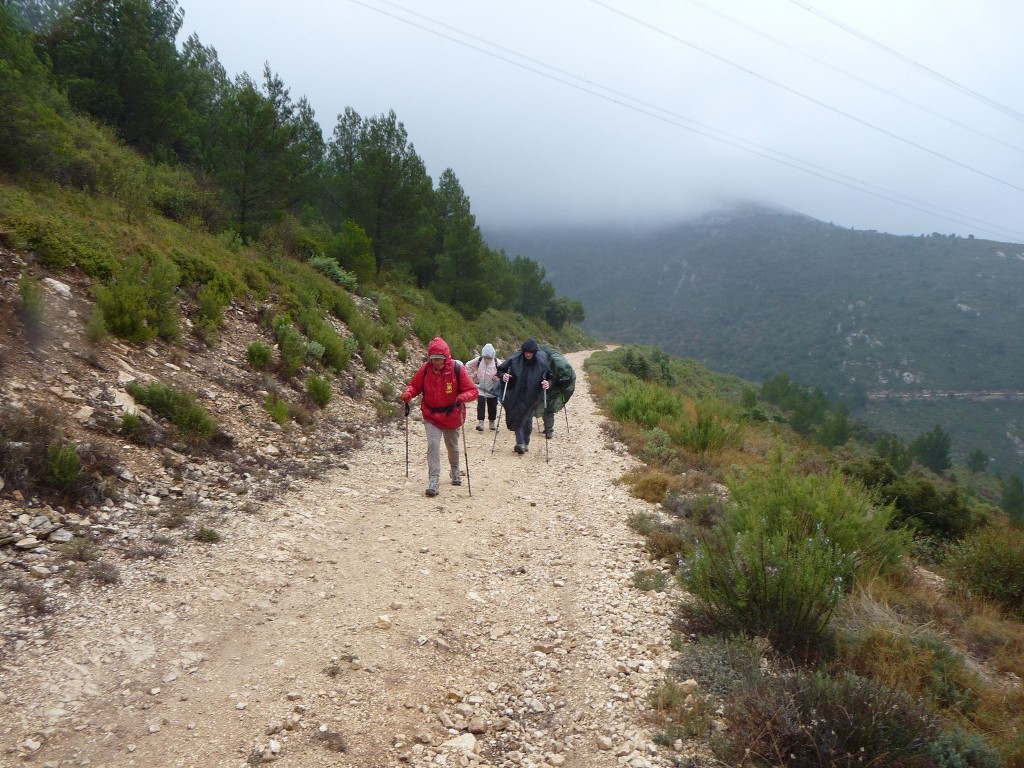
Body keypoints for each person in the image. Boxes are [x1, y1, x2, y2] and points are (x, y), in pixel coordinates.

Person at [401, 337, 478, 496]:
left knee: (453, 447)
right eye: (434, 359)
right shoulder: (425, 369)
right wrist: (409, 393)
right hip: (431, 415)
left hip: (452, 415)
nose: (436, 362)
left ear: (446, 357)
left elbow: (473, 391)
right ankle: (433, 479)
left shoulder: (457, 369)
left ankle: (455, 469)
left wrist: (464, 397)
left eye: (440, 359)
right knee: (433, 445)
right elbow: (415, 385)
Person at [496, 338, 551, 454]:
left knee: (528, 422)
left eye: (530, 352)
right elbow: (501, 370)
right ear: (523, 351)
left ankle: (525, 442)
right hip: (515, 393)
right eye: (526, 352)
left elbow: (550, 377)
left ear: (535, 352)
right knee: (517, 417)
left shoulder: (542, 363)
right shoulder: (514, 359)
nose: (528, 354)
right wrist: (503, 376)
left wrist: (548, 383)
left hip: (531, 396)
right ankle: (520, 443)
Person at [535, 342, 576, 438]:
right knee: (547, 405)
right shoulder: (552, 357)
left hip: (554, 384)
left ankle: (548, 429)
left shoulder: (553, 360)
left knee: (548, 406)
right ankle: (548, 429)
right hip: (554, 383)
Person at [465, 343, 501, 431]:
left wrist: (498, 377)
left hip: (492, 388)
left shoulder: (497, 362)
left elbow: (504, 371)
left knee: (492, 405)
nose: (487, 359)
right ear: (483, 355)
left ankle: (492, 422)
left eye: (489, 358)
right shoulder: (479, 360)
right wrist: (471, 377)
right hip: (480, 387)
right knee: (480, 403)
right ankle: (480, 422)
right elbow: (468, 365)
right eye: (486, 357)